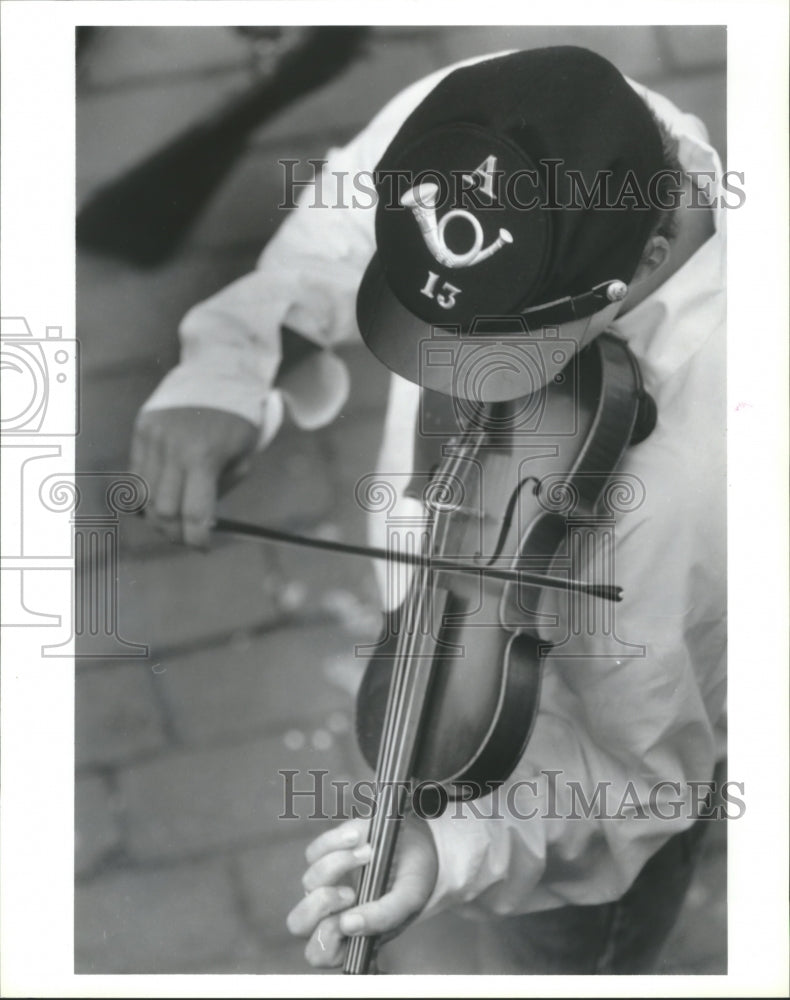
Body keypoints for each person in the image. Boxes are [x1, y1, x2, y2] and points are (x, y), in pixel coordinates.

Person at [131, 46, 726, 973]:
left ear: (645, 263)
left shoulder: (705, 474)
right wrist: (234, 360)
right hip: (446, 655)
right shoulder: (502, 120)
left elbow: (642, 780)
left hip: (580, 830)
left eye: (497, 354)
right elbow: (343, 225)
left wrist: (455, 849)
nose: (447, 374)